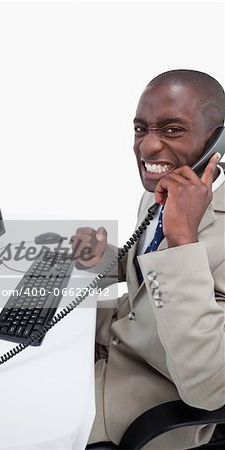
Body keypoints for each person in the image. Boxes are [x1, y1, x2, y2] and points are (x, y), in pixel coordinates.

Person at [71, 69, 225, 449]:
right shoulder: (164, 191)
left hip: (144, 397)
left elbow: (209, 386)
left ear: (217, 138)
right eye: (141, 129)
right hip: (119, 341)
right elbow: (149, 271)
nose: (148, 147)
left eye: (172, 130)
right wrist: (105, 259)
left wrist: (182, 238)